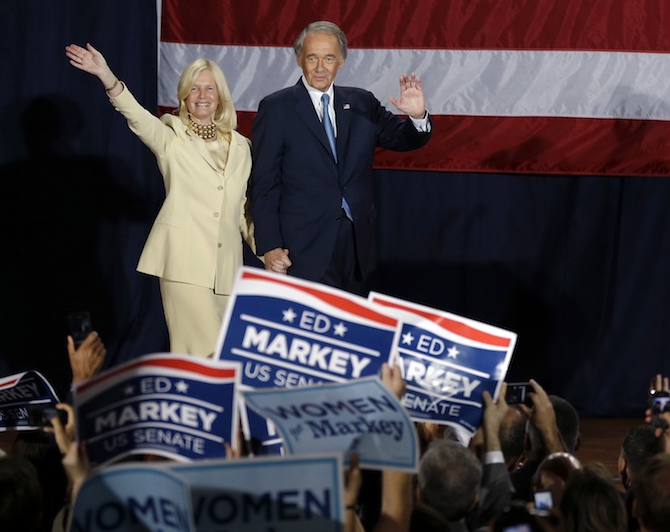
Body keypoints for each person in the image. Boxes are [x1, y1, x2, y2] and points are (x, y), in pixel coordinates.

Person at [65, 43, 254, 356]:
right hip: (183, 264)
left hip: (226, 269)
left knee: (224, 354)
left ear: (220, 94)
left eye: (209, 88)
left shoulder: (241, 146)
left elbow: (242, 210)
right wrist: (107, 77)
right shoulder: (172, 136)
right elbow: (137, 117)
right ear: (184, 96)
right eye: (195, 88)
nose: (203, 95)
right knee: (201, 351)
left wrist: (269, 252)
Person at [250, 20, 432, 294]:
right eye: (312, 57)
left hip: (358, 246)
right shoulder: (277, 108)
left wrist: (417, 117)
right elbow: (263, 185)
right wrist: (269, 246)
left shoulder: (361, 103)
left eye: (329, 58)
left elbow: (402, 139)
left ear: (342, 61)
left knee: (352, 330)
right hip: (302, 247)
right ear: (300, 59)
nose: (320, 67)